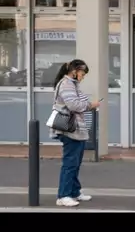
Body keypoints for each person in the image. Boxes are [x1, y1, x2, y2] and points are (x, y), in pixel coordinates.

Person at [50, 59, 101, 207]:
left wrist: (88, 104)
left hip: (75, 128)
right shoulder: (66, 85)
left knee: (75, 162)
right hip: (69, 129)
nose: (83, 76)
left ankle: (74, 192)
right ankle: (63, 195)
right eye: (82, 73)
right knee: (70, 162)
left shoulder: (71, 84)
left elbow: (78, 103)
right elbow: (73, 105)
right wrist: (91, 105)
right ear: (74, 71)